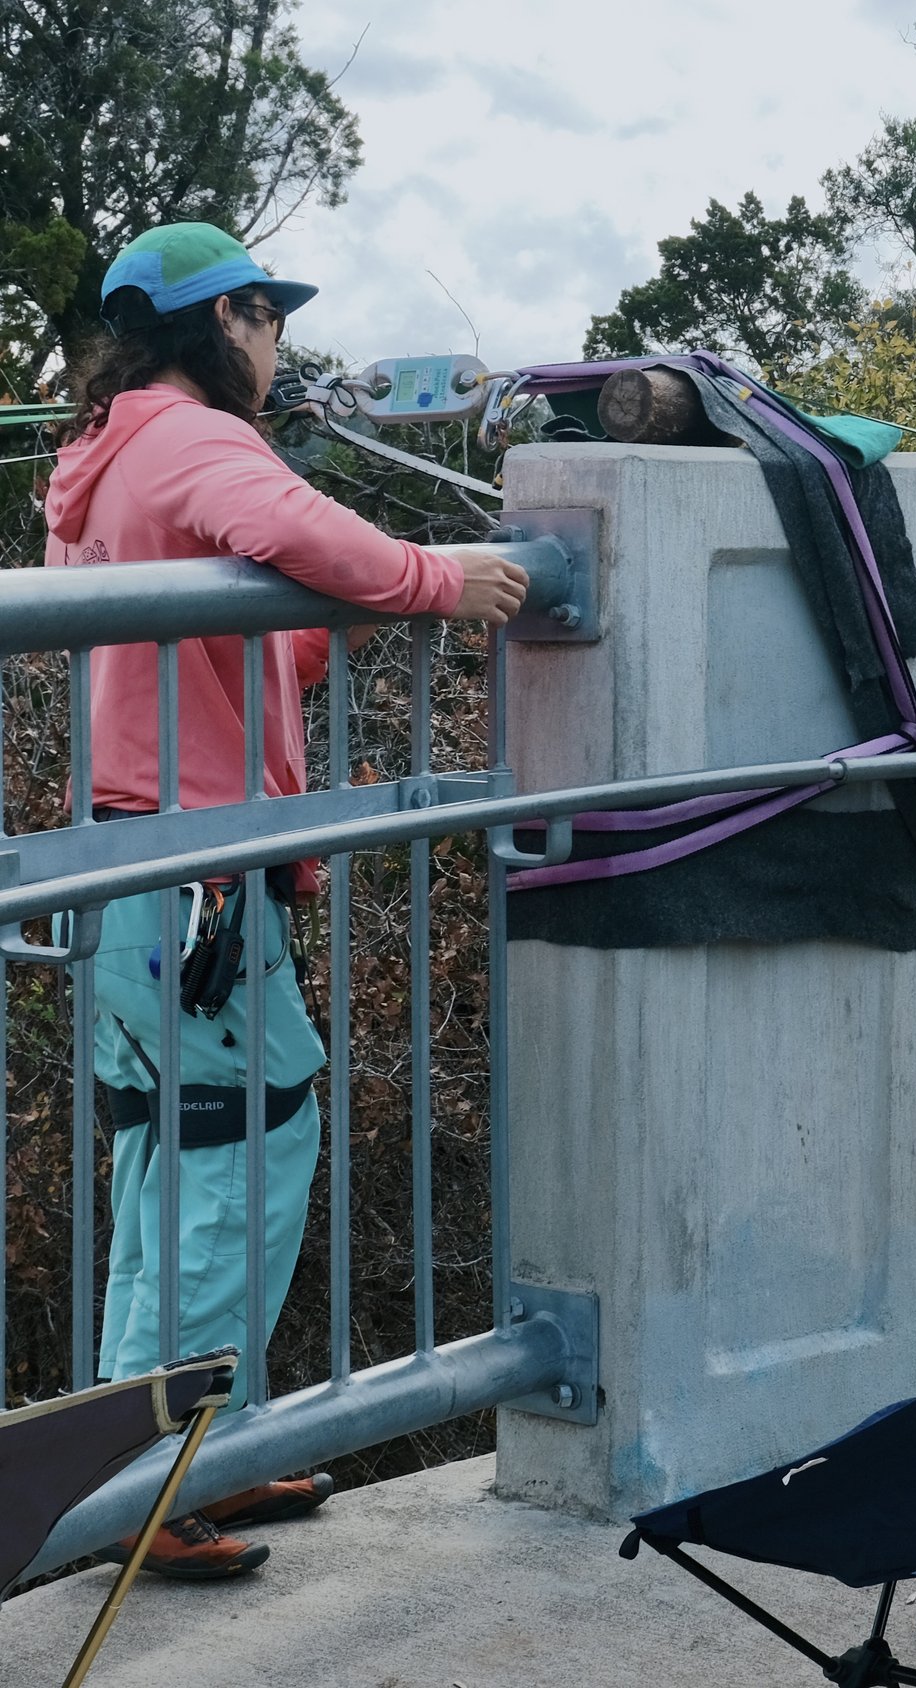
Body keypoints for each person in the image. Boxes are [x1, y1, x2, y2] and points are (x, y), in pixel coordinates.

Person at [41, 223, 529, 1579]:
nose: (279, 346)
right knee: (243, 1148)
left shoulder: (108, 451)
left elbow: (245, 650)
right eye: (266, 318)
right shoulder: (197, 443)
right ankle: (163, 1475)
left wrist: (350, 614)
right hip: (193, 876)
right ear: (224, 320)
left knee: (172, 1158)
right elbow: (298, 527)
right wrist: (443, 581)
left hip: (131, 864)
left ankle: (179, 1457)